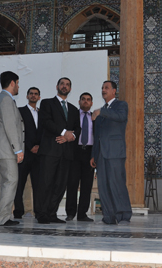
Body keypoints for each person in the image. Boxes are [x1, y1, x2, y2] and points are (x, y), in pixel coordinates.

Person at [36, 77, 80, 224]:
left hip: (66, 153)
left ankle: (52, 213)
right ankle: (42, 214)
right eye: (62, 84)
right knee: (46, 183)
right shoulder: (47, 103)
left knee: (60, 185)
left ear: (70, 89)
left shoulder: (73, 109)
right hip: (50, 151)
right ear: (57, 86)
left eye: (67, 85)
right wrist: (64, 132)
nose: (64, 86)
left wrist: (70, 137)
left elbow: (77, 128)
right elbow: (46, 122)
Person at [90, 81, 132, 225]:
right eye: (102, 88)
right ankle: (108, 217)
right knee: (103, 186)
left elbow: (121, 117)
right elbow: (97, 135)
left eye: (106, 88)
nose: (103, 90)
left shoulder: (121, 105)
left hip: (115, 152)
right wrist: (94, 154)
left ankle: (123, 215)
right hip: (101, 154)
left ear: (114, 91)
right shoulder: (102, 110)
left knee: (117, 183)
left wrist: (101, 112)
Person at [0, 71, 25, 226]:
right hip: (7, 151)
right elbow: (10, 127)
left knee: (2, 183)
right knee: (10, 181)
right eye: (18, 83)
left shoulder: (0, 98)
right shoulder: (6, 100)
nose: (18, 86)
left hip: (0, 150)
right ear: (12, 83)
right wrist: (18, 149)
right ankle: (2, 218)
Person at [65, 92, 95, 222]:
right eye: (83, 99)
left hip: (89, 153)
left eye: (88, 100)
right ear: (79, 102)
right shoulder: (73, 116)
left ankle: (82, 214)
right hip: (75, 152)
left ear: (91, 103)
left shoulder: (95, 118)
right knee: (72, 183)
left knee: (87, 185)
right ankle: (70, 213)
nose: (85, 101)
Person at [14, 87, 42, 219]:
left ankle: (38, 211)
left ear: (39, 97)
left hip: (38, 155)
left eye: (36, 94)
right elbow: (19, 131)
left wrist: (39, 146)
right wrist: (30, 147)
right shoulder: (20, 111)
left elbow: (44, 132)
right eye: (31, 94)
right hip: (24, 153)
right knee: (19, 184)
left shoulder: (42, 113)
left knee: (38, 185)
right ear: (27, 96)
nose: (33, 96)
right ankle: (18, 211)